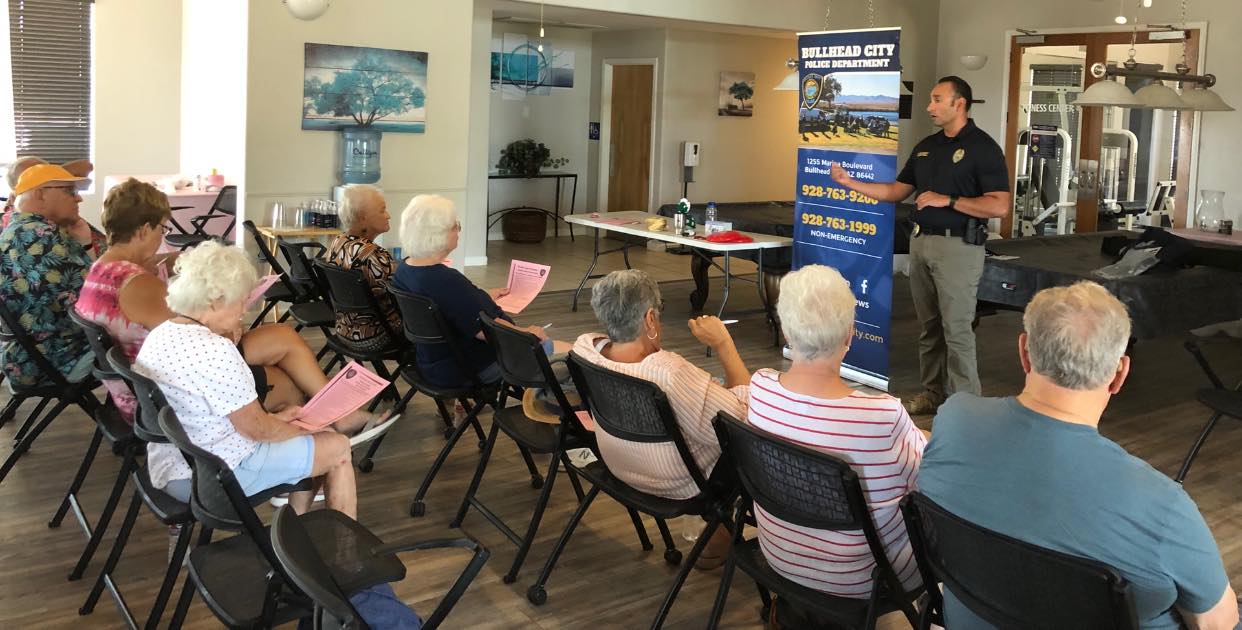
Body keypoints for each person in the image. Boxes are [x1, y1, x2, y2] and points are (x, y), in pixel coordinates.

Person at [918, 282, 1239, 630]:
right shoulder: (1164, 508)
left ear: (1024, 352)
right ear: (1119, 374)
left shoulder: (954, 421)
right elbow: (1217, 624)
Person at [135, 241, 384, 518]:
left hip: (174, 461)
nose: (244, 310)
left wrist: (280, 422)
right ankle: (342, 548)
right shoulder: (215, 349)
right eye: (241, 301)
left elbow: (236, 420)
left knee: (315, 438)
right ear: (216, 300)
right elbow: (257, 430)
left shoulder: (162, 334)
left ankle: (294, 529)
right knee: (336, 446)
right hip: (214, 475)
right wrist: (304, 430)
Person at [830, 76, 1010, 416]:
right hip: (921, 243)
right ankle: (932, 394)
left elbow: (999, 205)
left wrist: (949, 200)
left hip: (959, 248)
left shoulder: (983, 148)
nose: (929, 106)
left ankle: (965, 407)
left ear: (959, 104)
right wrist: (849, 182)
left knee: (956, 329)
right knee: (929, 327)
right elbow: (896, 191)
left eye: (937, 99)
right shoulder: (927, 146)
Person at [748, 265, 925, 599]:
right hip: (862, 579)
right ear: (850, 334)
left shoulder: (760, 387)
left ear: (786, 331)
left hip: (778, 555)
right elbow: (929, 480)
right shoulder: (882, 416)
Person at [573, 269, 748, 568]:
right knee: (751, 446)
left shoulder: (585, 349)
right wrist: (724, 345)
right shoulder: (669, 372)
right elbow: (743, 420)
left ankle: (718, 534)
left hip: (618, 464)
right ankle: (723, 533)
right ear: (650, 319)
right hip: (676, 482)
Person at [391, 194, 561, 389]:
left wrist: (483, 296)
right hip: (467, 368)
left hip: (432, 362)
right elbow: (489, 332)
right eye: (455, 226)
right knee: (557, 350)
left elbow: (453, 306)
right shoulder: (446, 280)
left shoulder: (405, 269)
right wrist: (528, 333)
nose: (459, 231)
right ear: (439, 234)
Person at [0, 164, 106, 386]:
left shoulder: (16, 230)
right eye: (70, 191)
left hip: (23, 356)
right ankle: (133, 415)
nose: (79, 199)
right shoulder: (44, 239)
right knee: (142, 341)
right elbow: (101, 299)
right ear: (40, 194)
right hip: (56, 360)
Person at [323, 184, 403, 353]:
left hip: (344, 329)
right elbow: (404, 295)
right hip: (377, 335)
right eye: (382, 210)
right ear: (362, 217)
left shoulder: (337, 242)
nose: (388, 215)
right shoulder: (373, 255)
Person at [2, 155, 93, 228]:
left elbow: (87, 165)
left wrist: (56, 176)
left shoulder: (56, 213)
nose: (79, 198)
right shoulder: (24, 227)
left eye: (42, 170)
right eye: (32, 175)